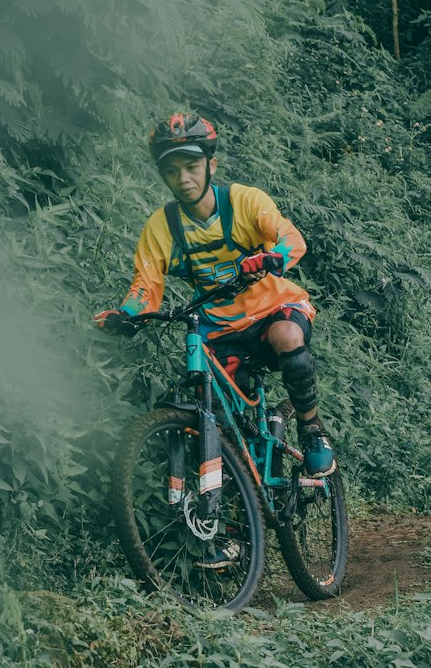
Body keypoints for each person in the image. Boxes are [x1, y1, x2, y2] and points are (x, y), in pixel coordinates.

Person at [94, 113, 335, 475]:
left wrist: (273, 257)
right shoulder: (161, 227)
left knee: (287, 336)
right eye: (172, 171)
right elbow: (146, 286)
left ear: (212, 164)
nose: (183, 178)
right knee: (213, 404)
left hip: (273, 310)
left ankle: (312, 429)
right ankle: (240, 490)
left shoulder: (244, 202)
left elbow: (291, 238)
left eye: (192, 166)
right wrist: (126, 315)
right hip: (220, 329)